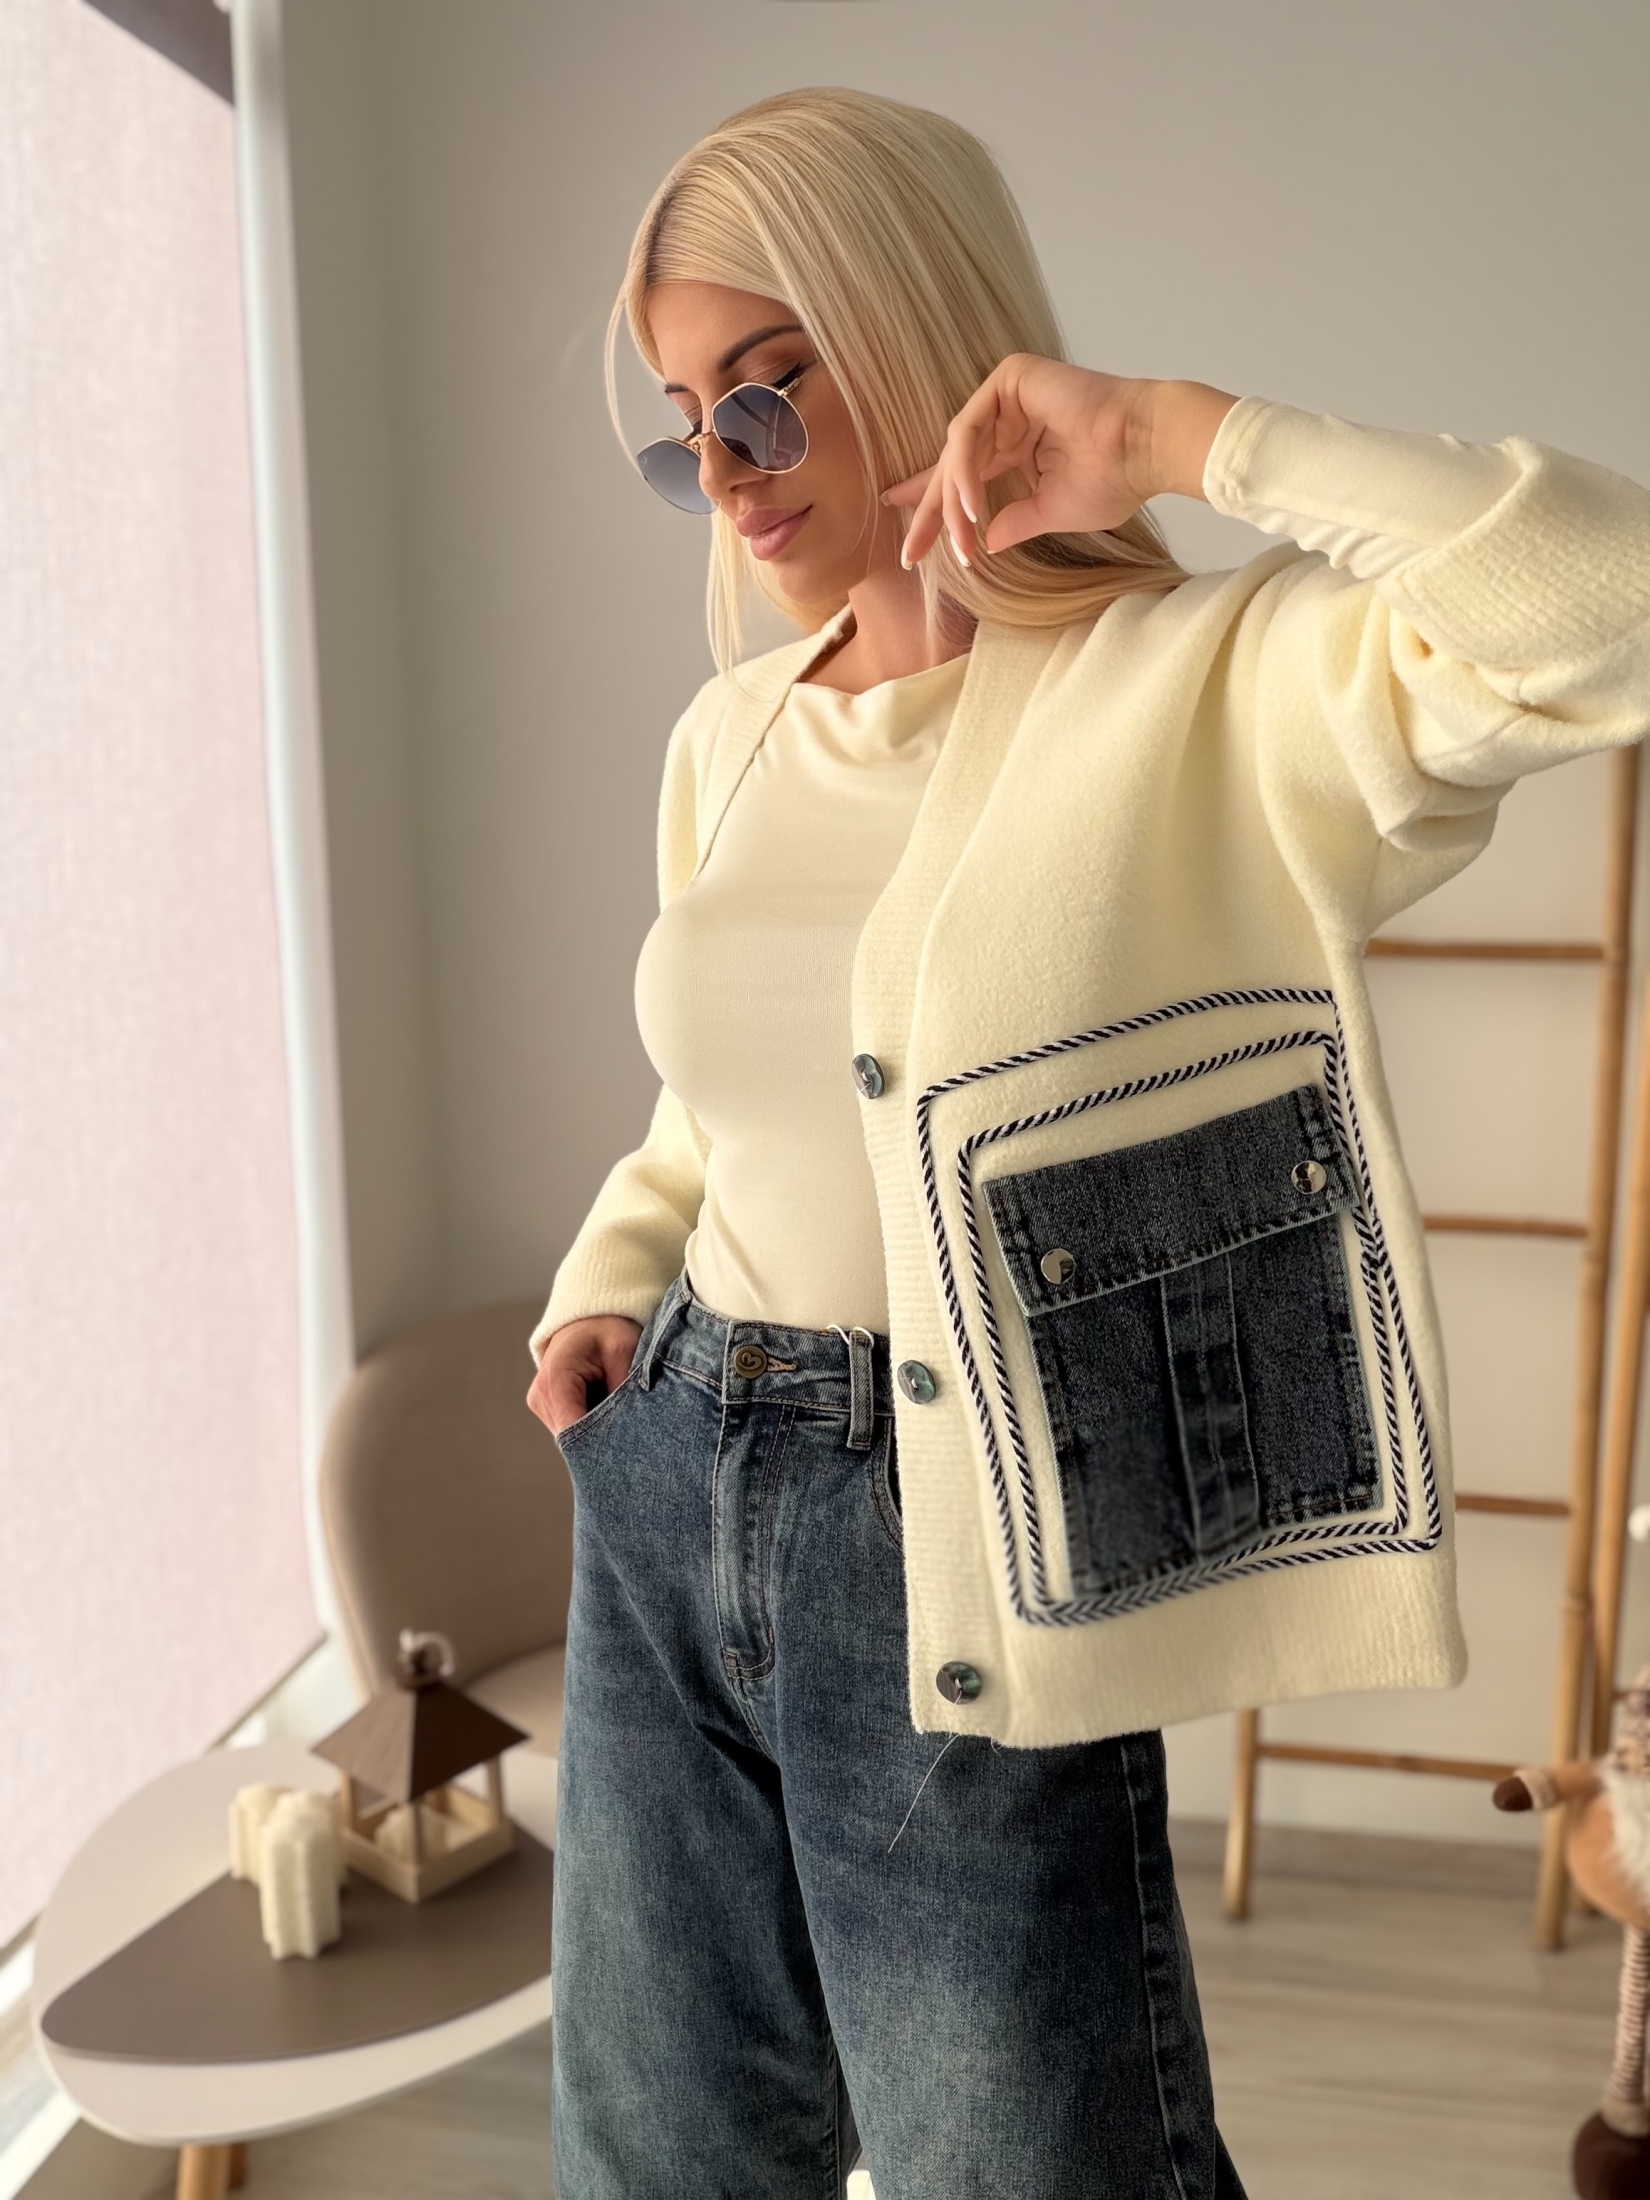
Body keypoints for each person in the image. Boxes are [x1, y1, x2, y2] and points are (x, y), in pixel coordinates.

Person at [524, 84, 1650, 2200]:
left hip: (962, 1524)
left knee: (1030, 2162)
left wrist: (1175, 436)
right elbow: (716, 1097)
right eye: (684, 431)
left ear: (912, 324)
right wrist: (609, 1285)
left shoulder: (1206, 691)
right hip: (672, 1478)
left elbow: (1608, 602)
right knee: (657, 2155)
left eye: (764, 393)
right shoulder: (728, 738)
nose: (727, 477)